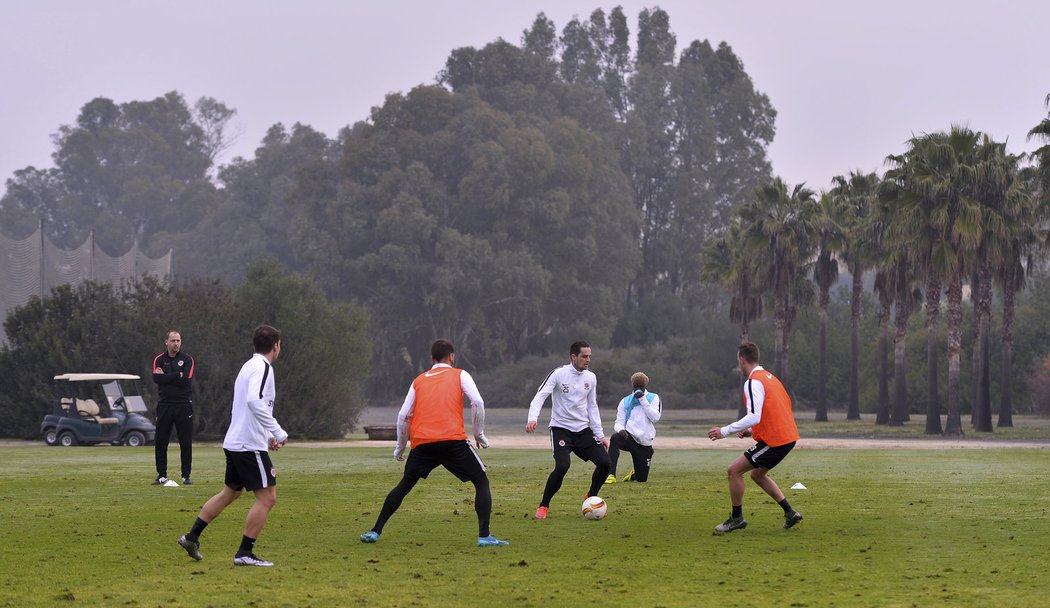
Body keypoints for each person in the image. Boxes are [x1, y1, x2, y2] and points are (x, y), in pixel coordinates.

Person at [359, 339, 507, 547]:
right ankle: (484, 536)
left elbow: (403, 415)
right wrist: (479, 434)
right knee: (481, 482)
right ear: (451, 357)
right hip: (452, 441)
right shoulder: (460, 374)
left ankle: (375, 531)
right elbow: (478, 402)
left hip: (423, 444)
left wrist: (400, 448)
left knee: (404, 486)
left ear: (432, 358)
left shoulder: (418, 380)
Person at [177, 325, 289, 567]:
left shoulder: (249, 366)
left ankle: (191, 537)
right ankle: (244, 553)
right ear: (276, 346)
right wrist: (277, 430)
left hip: (238, 441)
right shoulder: (263, 367)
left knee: (231, 492)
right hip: (247, 444)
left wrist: (267, 435)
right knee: (268, 498)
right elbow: (253, 401)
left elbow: (249, 405)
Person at [707, 342, 803, 534]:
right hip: (787, 435)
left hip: (777, 439)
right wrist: (753, 431)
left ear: (742, 360)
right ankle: (790, 512)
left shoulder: (753, 381)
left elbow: (754, 415)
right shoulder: (771, 378)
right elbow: (773, 411)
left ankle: (736, 519)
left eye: (738, 361)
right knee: (757, 475)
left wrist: (724, 431)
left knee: (733, 471)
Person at [526, 340, 610, 519]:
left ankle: (591, 496)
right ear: (573, 357)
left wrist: (600, 434)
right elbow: (540, 395)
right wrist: (532, 418)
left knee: (605, 463)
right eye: (584, 356)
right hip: (560, 429)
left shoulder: (591, 377)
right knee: (563, 465)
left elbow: (592, 406)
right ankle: (544, 505)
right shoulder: (559, 374)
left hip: (582, 430)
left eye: (589, 356)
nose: (588, 360)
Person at [152, 330, 195, 485]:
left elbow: (186, 381)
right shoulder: (159, 359)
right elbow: (157, 378)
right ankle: (162, 475)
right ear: (167, 342)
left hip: (183, 405)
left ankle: (186, 475)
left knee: (185, 442)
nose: (176, 343)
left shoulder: (187, 359)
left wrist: (167, 377)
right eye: (173, 340)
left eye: (178, 340)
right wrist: (178, 375)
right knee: (161, 441)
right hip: (164, 405)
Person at [605, 372, 662, 484]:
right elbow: (619, 421)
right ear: (632, 385)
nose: (638, 389)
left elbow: (655, 418)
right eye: (636, 386)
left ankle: (634, 474)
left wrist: (642, 400)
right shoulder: (625, 401)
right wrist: (620, 430)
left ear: (645, 386)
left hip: (644, 442)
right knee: (615, 438)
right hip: (628, 437)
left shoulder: (654, 398)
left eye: (641, 386)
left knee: (641, 479)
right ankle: (611, 474)